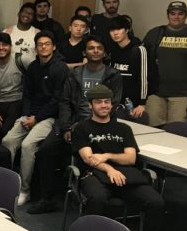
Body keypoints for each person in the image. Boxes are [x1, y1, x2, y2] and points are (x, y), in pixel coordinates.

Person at [72, 84, 173, 231]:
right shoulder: (82, 128)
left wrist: (107, 155)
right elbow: (88, 158)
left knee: (155, 201)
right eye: (99, 102)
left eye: (107, 102)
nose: (104, 105)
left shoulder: (123, 128)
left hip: (126, 176)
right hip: (94, 174)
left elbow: (131, 158)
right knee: (98, 199)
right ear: (91, 105)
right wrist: (109, 168)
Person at [34, 35, 122, 213]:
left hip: (98, 125)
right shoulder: (74, 74)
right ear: (84, 52)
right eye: (91, 48)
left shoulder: (113, 75)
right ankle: (47, 199)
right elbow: (65, 102)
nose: (95, 51)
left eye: (99, 48)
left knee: (90, 157)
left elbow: (113, 106)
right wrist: (67, 127)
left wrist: (86, 127)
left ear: (104, 53)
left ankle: (91, 199)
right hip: (71, 122)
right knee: (45, 150)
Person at [2, 31, 69, 206]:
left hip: (49, 118)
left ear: (54, 47)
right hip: (31, 114)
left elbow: (57, 100)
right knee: (8, 141)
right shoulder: (33, 67)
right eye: (40, 45)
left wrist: (37, 118)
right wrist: (26, 114)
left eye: (47, 44)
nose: (43, 47)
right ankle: (6, 183)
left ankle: (25, 190)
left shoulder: (60, 68)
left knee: (27, 145)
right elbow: (27, 94)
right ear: (36, 48)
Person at [143, 1, 187, 127]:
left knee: (176, 133)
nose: (176, 17)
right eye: (173, 13)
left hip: (182, 94)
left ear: (186, 15)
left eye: (180, 14)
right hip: (155, 92)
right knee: (153, 130)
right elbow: (143, 61)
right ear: (168, 15)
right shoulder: (155, 33)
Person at [108, 16, 152, 122]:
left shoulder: (139, 49)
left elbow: (144, 77)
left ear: (127, 30)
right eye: (112, 30)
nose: (115, 33)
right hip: (118, 102)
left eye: (119, 29)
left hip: (136, 103)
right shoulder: (113, 50)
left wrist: (142, 103)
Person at [0, 32, 24, 141]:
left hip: (18, 101)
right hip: (0, 102)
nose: (1, 48)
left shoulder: (21, 60)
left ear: (10, 46)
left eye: (5, 45)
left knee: (5, 131)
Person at [2, 2, 40, 70]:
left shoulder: (37, 33)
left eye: (30, 14)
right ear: (19, 14)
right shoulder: (7, 32)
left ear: (33, 18)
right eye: (25, 12)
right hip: (10, 73)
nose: (27, 15)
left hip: (31, 72)